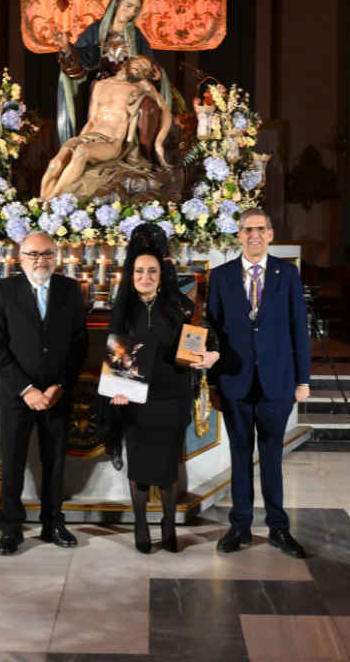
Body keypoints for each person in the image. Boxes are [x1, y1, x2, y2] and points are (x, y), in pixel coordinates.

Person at [206, 207, 310, 559]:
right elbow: (212, 334)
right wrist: (211, 383)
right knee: (238, 455)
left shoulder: (288, 273)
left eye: (260, 229)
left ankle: (279, 528)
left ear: (270, 234)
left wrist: (303, 379)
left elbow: (299, 327)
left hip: (276, 381)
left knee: (271, 456)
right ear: (238, 236)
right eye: (247, 230)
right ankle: (240, 526)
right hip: (234, 380)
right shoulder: (220, 277)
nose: (254, 235)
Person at [108, 224, 219, 554]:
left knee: (169, 466)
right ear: (132, 272)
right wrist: (117, 388)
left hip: (173, 398)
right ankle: (141, 524)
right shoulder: (125, 310)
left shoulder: (181, 306)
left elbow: (210, 341)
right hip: (136, 401)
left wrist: (210, 356)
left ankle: (168, 524)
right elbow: (118, 357)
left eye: (152, 270)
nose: (145, 276)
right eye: (139, 270)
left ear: (161, 273)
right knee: (140, 466)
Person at [0, 231, 89, 555]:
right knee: (14, 464)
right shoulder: (4, 289)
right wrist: (27, 389)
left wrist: (60, 385)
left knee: (55, 462)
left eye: (46, 254)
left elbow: (79, 344)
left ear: (56, 257)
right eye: (32, 254)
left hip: (57, 395)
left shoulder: (70, 290)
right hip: (17, 396)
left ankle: (53, 523)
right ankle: (12, 529)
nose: (39, 260)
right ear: (21, 259)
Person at [53, 0, 175, 149]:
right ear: (116, 4)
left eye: (136, 9)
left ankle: (143, 157)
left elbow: (150, 64)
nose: (131, 12)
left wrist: (157, 75)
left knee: (148, 108)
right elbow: (80, 60)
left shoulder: (136, 34)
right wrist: (66, 47)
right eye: (128, 5)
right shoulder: (95, 30)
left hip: (132, 86)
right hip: (104, 87)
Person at [39, 55, 172, 200]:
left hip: (112, 142)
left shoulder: (141, 87)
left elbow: (166, 111)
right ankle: (40, 202)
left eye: (145, 70)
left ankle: (52, 198)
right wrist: (79, 139)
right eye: (140, 64)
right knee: (55, 163)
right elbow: (92, 120)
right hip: (91, 136)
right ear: (127, 62)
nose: (141, 70)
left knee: (82, 152)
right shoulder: (100, 85)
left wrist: (159, 143)